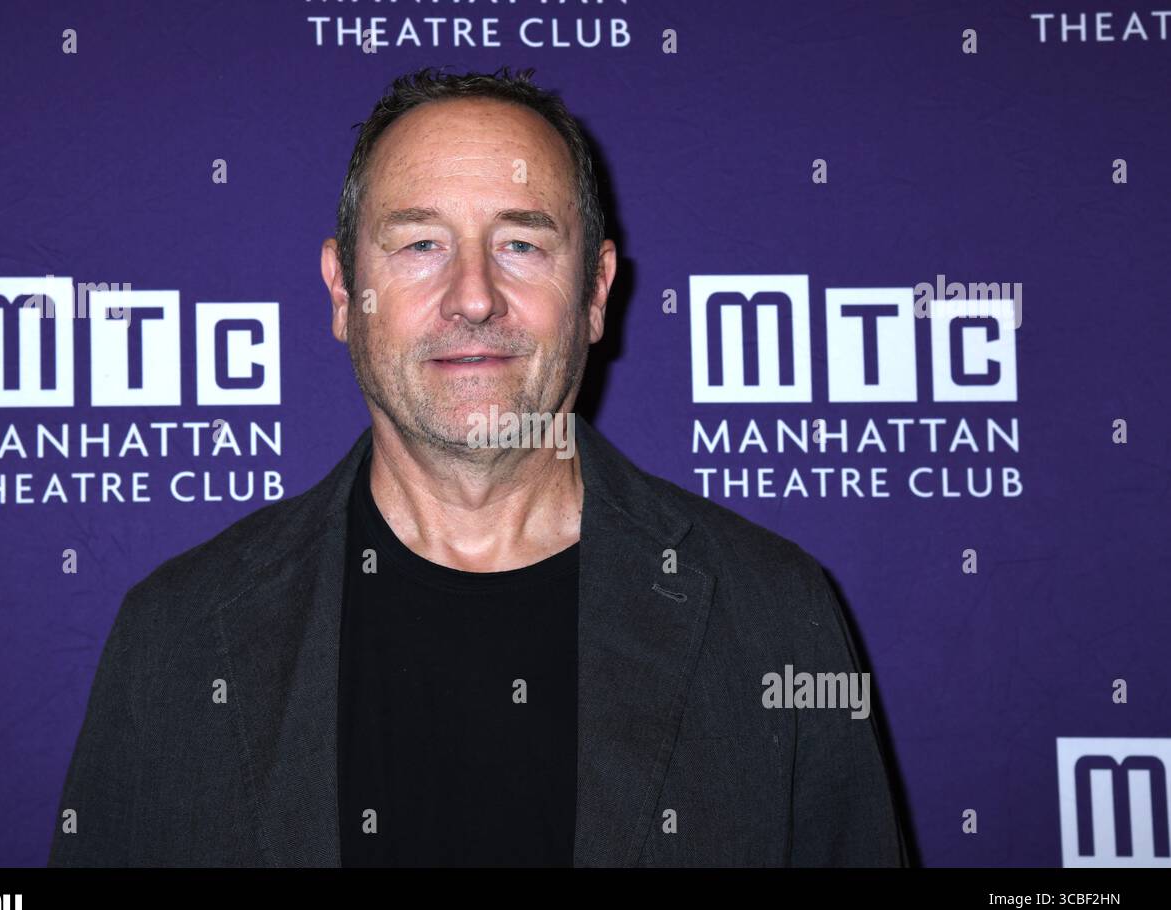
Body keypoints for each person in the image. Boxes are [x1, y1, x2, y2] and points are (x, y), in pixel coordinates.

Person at [48, 66, 908, 867]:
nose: (472, 295)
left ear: (597, 292)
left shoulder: (772, 612)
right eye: (421, 243)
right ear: (344, 293)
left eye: (522, 245)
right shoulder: (177, 635)